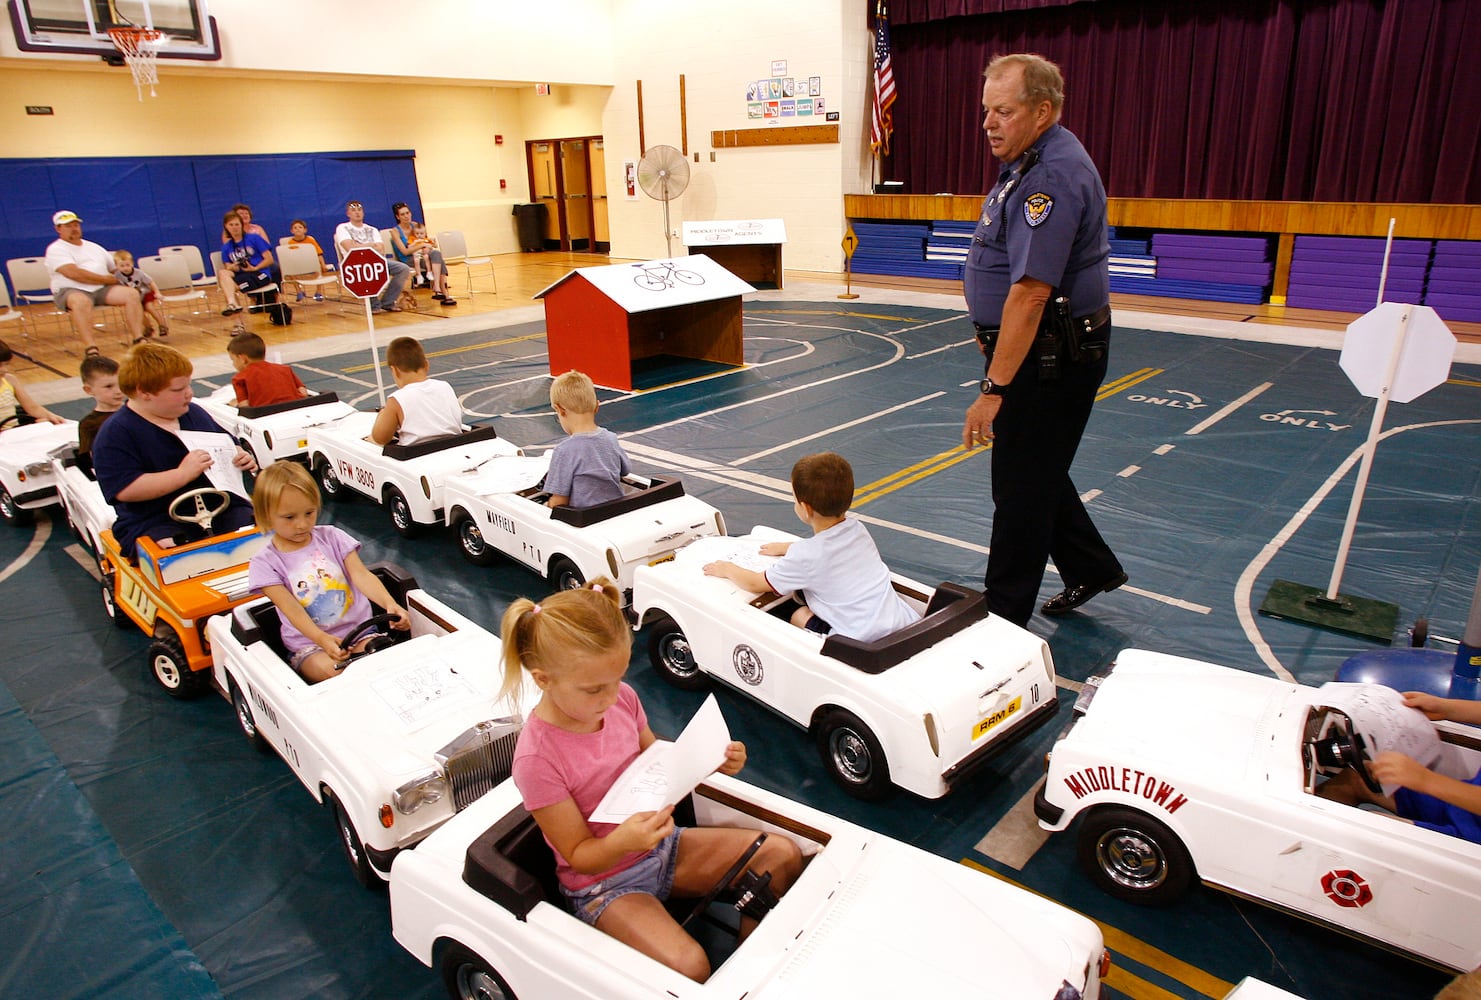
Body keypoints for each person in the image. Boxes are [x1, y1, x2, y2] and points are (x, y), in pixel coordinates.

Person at [499, 578, 801, 981]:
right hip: (605, 884)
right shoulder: (537, 759)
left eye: (618, 678)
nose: (610, 698)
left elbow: (656, 761)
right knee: (689, 967)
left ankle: (750, 975)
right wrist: (623, 841)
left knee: (780, 856)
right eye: (593, 690)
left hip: (663, 848)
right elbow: (579, 855)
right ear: (543, 680)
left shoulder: (622, 698)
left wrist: (710, 761)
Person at [959, 53, 1126, 627]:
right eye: (986, 111)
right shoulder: (1029, 159)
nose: (989, 123)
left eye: (1003, 111)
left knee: (1020, 487)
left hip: (1051, 354)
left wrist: (993, 387)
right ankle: (1090, 566)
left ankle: (1003, 616)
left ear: (1043, 111)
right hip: (1038, 344)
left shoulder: (1050, 178)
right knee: (1037, 466)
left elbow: (1030, 294)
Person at [703, 452, 918, 642]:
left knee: (799, 614)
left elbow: (755, 584)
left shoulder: (804, 556)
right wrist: (788, 547)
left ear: (805, 508)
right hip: (901, 622)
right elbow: (830, 551)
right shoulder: (858, 530)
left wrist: (727, 568)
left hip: (857, 643)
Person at [248, 461, 410, 683]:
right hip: (311, 646)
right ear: (266, 515)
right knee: (338, 675)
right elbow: (291, 609)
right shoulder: (265, 562)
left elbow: (361, 575)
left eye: (309, 513)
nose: (302, 524)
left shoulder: (332, 537)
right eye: (289, 517)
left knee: (383, 661)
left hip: (361, 632)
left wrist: (389, 604)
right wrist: (321, 638)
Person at [91, 342, 257, 559]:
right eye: (178, 390)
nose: (189, 394)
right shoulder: (115, 434)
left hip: (220, 507)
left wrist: (239, 454)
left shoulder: (194, 413)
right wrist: (182, 474)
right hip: (156, 519)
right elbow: (125, 489)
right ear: (144, 392)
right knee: (175, 554)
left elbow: (226, 441)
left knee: (256, 532)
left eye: (188, 386)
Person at [1319, 691, 1481, 844]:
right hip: (1465, 804)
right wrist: (1447, 708)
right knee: (1357, 779)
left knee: (1365, 830)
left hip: (1470, 842)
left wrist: (1425, 780)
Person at [43, 209, 146, 355]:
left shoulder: (94, 247)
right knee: (81, 302)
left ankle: (138, 338)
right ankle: (90, 346)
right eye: (68, 226)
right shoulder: (56, 249)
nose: (74, 229)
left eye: (75, 225)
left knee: (132, 294)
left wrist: (131, 278)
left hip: (101, 289)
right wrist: (106, 279)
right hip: (71, 289)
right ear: (58, 229)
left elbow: (114, 269)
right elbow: (73, 273)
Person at [544, 369, 629, 508]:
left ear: (560, 410)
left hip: (584, 520)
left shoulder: (564, 451)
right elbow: (625, 470)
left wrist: (547, 505)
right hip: (616, 511)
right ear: (597, 406)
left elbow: (559, 502)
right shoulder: (611, 439)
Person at [368, 336, 463, 446]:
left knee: (370, 442)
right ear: (426, 365)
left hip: (415, 456)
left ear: (395, 371)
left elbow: (380, 438)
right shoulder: (445, 387)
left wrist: (383, 414)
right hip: (455, 448)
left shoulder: (397, 400)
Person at [335, 200, 410, 313]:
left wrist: (359, 245)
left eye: (359, 210)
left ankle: (388, 302)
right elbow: (350, 248)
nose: (357, 213)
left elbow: (380, 249)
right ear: (348, 213)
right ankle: (373, 305)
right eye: (353, 210)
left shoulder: (372, 229)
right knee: (367, 268)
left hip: (375, 260)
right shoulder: (342, 228)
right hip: (355, 263)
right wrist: (370, 245)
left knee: (402, 269)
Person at [389, 202, 455, 306]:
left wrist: (429, 244)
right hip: (408, 259)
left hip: (423, 256)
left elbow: (426, 241)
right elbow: (405, 251)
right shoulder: (395, 231)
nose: (406, 216)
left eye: (407, 213)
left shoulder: (416, 225)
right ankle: (443, 292)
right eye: (402, 214)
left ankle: (437, 287)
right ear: (397, 216)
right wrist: (421, 245)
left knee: (436, 254)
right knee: (438, 260)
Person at [221, 211, 279, 323]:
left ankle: (238, 323)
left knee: (229, 288)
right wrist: (236, 265)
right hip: (242, 274)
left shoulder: (254, 238)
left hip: (259, 273)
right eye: (231, 225)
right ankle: (232, 303)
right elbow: (228, 266)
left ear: (242, 225)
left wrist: (255, 268)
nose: (234, 228)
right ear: (226, 227)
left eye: (237, 224)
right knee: (223, 273)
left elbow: (269, 259)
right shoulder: (227, 247)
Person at [227, 331, 309, 407]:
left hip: (265, 417)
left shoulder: (239, 378)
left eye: (233, 360)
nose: (233, 364)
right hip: (295, 410)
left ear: (243, 358)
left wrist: (235, 404)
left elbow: (245, 407)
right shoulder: (285, 369)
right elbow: (303, 392)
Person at [0, 338, 65, 429]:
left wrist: (51, 416)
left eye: (6, 364)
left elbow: (32, 408)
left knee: (44, 422)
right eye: (0, 365)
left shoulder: (10, 380)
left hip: (12, 432)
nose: (4, 369)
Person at [76, 353, 124, 468]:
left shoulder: (138, 409)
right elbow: (90, 461)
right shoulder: (89, 424)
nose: (118, 391)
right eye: (109, 386)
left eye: (120, 383)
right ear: (89, 390)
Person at [111, 251, 170, 340]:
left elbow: (151, 282)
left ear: (132, 263)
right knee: (139, 312)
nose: (125, 268)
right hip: (133, 297)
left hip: (145, 293)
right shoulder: (117, 276)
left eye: (128, 265)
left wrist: (157, 292)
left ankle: (162, 325)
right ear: (116, 266)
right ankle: (148, 327)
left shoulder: (139, 273)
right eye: (122, 266)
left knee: (149, 307)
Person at [285, 219, 329, 302]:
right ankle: (299, 291)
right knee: (290, 271)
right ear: (291, 231)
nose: (298, 229)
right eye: (295, 228)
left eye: (300, 227)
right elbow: (290, 258)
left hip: (311, 264)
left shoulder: (310, 240)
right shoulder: (291, 243)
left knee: (319, 267)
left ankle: (318, 292)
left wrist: (323, 264)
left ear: (305, 230)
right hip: (298, 265)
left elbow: (319, 254)